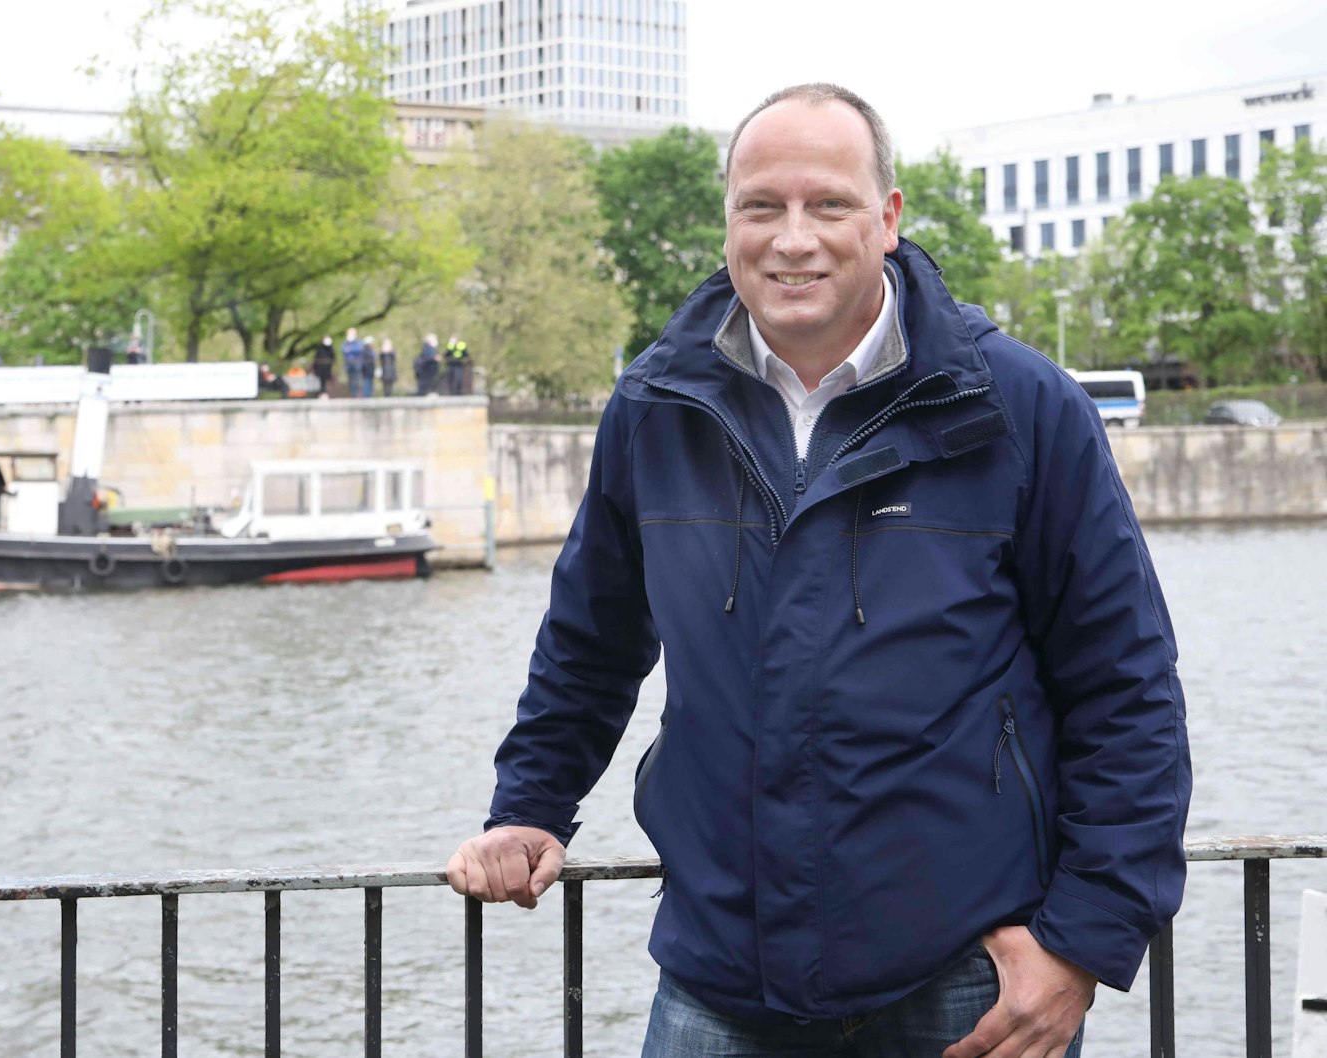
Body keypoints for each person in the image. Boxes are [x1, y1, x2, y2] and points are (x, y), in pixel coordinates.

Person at [444, 83, 1190, 1058]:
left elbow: (1123, 689)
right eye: (761, 206)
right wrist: (528, 806)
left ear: (885, 220)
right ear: (727, 226)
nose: (791, 237)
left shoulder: (1018, 407)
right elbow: (589, 639)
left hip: (968, 975)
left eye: (826, 204)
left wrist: (1082, 944)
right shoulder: (653, 407)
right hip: (718, 974)